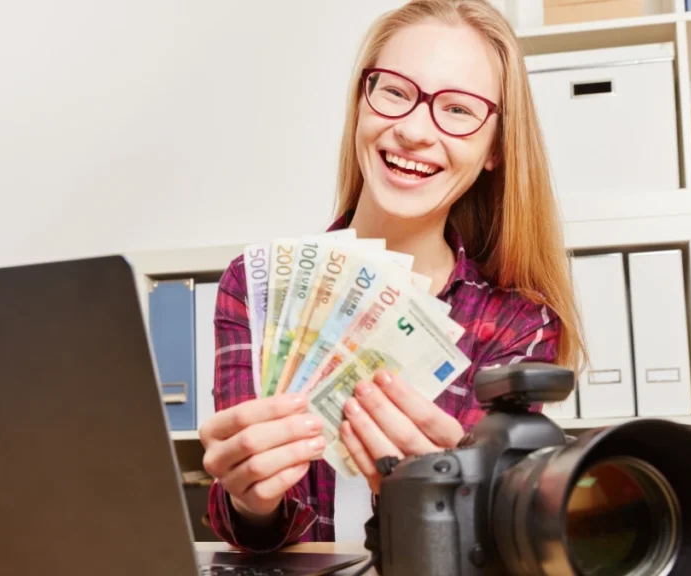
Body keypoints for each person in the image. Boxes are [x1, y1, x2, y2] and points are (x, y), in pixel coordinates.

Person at [198, 0, 585, 552]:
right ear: (362, 102)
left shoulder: (517, 324)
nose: (414, 131)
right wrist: (248, 499)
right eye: (397, 92)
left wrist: (438, 495)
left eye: (457, 109)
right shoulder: (254, 286)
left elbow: (489, 541)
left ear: (494, 147)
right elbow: (256, 531)